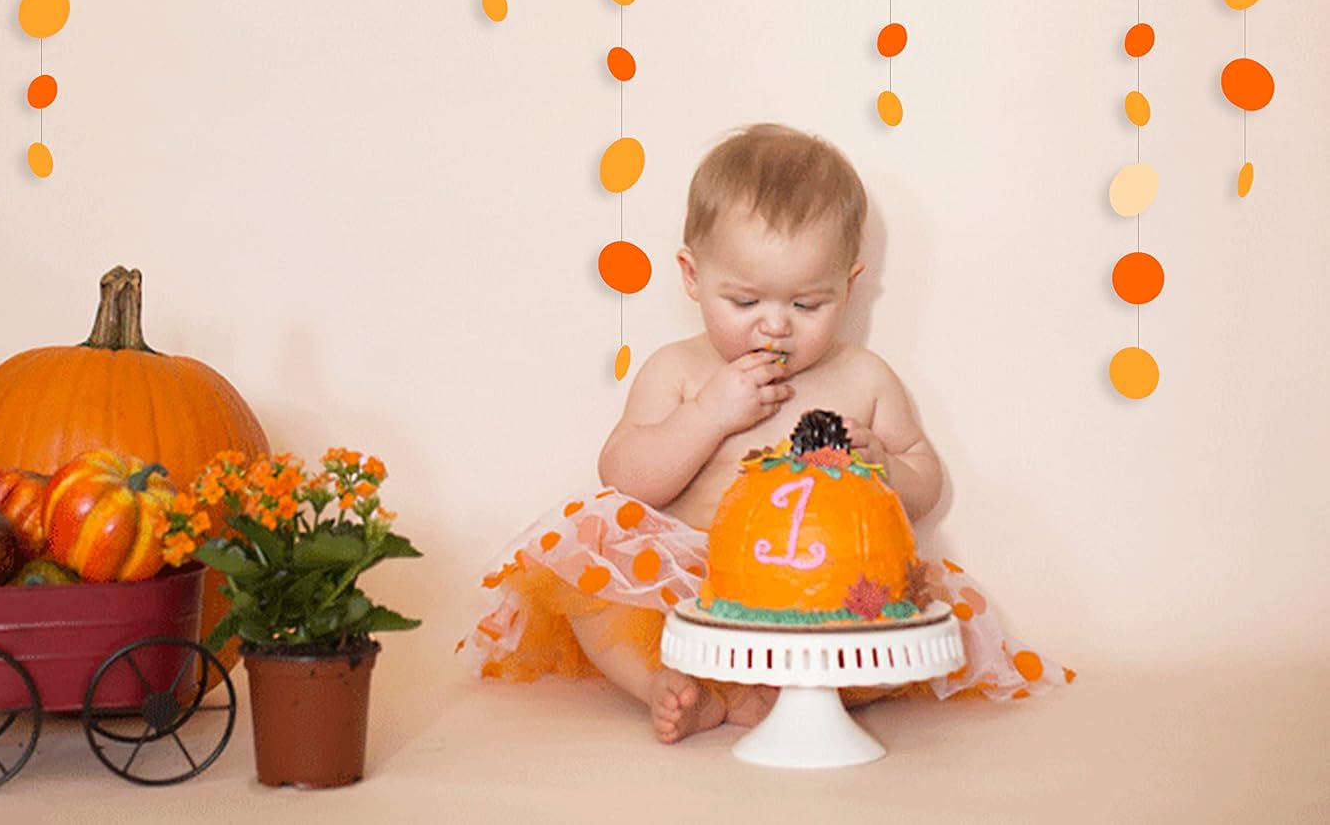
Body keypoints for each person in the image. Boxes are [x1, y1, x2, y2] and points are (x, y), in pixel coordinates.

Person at [459, 123, 1072, 742]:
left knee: (905, 622)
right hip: (693, 585)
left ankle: (788, 693)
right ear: (692, 276)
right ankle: (667, 685)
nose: (775, 326)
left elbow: (925, 482)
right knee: (593, 574)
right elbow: (624, 478)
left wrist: (885, 464)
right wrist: (707, 415)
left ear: (849, 285)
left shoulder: (863, 377)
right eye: (746, 302)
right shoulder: (679, 370)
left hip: (823, 587)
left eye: (807, 305)